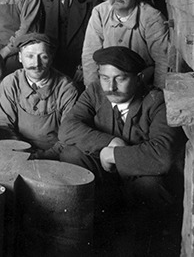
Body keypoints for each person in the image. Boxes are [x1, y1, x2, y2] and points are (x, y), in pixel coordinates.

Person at [59, 47, 185, 228]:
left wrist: (113, 154)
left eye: (121, 78)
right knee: (72, 154)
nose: (111, 87)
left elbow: (162, 155)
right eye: (105, 78)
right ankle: (87, 226)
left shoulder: (157, 102)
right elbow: (68, 128)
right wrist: (109, 142)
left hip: (137, 179)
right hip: (106, 178)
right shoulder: (95, 91)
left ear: (139, 78)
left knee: (152, 186)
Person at [0, 33, 79, 159]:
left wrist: (43, 156)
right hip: (16, 151)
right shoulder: (10, 83)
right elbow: (1, 124)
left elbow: (69, 135)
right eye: (29, 56)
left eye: (43, 57)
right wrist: (20, 152)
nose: (36, 63)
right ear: (20, 57)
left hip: (54, 155)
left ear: (51, 57)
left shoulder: (66, 89)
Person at [82, 0, 169, 88]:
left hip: (141, 81)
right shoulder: (100, 12)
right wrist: (92, 89)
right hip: (109, 78)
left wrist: (159, 91)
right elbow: (90, 53)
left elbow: (163, 59)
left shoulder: (152, 17)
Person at [41, 0, 101, 84]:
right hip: (50, 67)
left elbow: (97, 40)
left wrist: (84, 66)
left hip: (78, 68)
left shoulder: (93, 1)